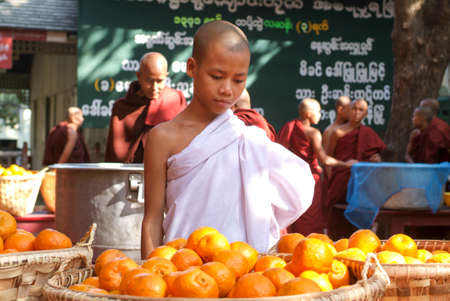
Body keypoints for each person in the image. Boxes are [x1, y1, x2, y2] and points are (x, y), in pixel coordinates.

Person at [141, 20, 314, 258]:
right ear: (192, 67)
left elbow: (297, 188)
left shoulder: (247, 137)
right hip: (182, 272)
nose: (227, 90)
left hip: (243, 270)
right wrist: (153, 274)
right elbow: (152, 218)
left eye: (238, 80)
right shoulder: (162, 137)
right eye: (217, 76)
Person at [277, 98, 356, 235]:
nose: (320, 115)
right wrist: (345, 164)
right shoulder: (313, 133)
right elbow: (324, 160)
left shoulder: (289, 127)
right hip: (309, 179)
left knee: (294, 216)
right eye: (318, 111)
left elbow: (280, 152)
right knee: (309, 219)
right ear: (308, 114)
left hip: (290, 180)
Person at [104, 52, 187, 163]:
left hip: (167, 171)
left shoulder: (175, 99)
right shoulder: (122, 108)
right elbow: (114, 153)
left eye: (159, 81)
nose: (154, 87)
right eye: (149, 80)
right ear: (139, 76)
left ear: (166, 76)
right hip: (129, 173)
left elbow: (185, 141)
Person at [326, 98, 386, 239]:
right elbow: (328, 158)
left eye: (361, 110)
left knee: (358, 222)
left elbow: (380, 154)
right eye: (354, 108)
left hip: (362, 184)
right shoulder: (337, 132)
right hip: (341, 181)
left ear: (365, 114)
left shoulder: (368, 133)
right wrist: (332, 181)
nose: (357, 112)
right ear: (348, 110)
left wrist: (378, 159)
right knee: (338, 216)